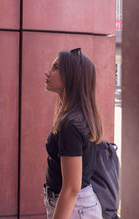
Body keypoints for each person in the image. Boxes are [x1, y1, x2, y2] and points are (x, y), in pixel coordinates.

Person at [43, 48, 103, 219]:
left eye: (56, 68)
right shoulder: (77, 117)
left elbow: (71, 188)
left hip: (74, 208)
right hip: (77, 206)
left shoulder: (70, 124)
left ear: (72, 77)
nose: (47, 72)